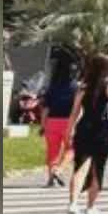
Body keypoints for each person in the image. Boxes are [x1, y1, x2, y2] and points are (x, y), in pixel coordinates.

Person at [64, 53, 108, 214]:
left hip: (84, 127)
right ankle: (90, 208)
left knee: (80, 167)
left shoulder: (83, 87)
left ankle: (73, 205)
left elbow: (75, 111)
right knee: (98, 168)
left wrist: (69, 131)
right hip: (104, 129)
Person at [38, 53, 78, 188]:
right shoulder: (75, 88)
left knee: (52, 152)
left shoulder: (52, 87)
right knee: (72, 149)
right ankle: (59, 170)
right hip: (68, 121)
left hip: (51, 122)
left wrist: (43, 125)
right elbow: (77, 108)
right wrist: (76, 123)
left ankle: (51, 178)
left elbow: (46, 108)